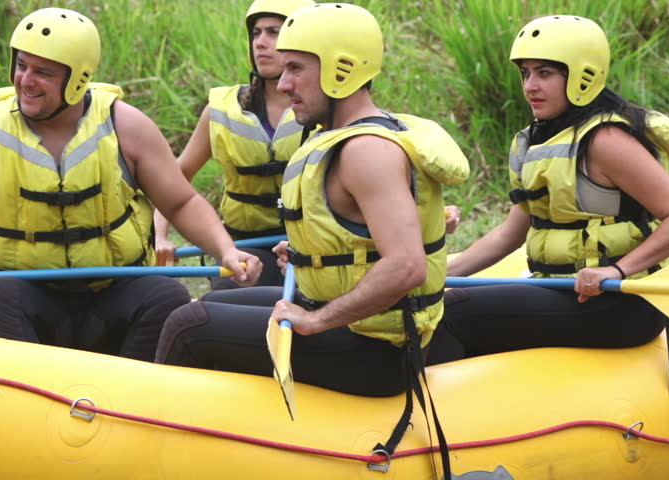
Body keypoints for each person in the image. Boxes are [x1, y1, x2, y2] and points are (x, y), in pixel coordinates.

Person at [0, 7, 260, 362]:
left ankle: (129, 398)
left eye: (43, 72)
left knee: (165, 295)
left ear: (77, 80)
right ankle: (28, 396)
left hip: (113, 294)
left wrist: (226, 251)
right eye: (22, 66)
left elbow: (180, 203)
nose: (25, 80)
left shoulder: (126, 127)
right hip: (28, 297)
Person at [156, 3, 469, 397]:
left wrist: (316, 320)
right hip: (355, 325)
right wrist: (311, 253)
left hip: (374, 352)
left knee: (190, 324)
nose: (284, 85)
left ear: (342, 71)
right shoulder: (347, 135)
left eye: (296, 69)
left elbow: (407, 267)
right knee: (225, 304)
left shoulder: (366, 151)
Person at [427, 15, 669, 366]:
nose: (530, 86)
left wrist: (617, 271)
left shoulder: (605, 141)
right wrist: (435, 279)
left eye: (545, 73)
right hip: (558, 288)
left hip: (618, 303)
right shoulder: (539, 141)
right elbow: (508, 234)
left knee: (451, 314)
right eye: (526, 73)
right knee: (436, 302)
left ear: (582, 76)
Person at [153, 0, 315, 290]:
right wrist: (160, 236)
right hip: (244, 247)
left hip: (309, 246)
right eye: (256, 33)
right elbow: (174, 179)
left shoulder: (324, 109)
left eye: (274, 32)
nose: (261, 43)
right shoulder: (221, 111)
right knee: (229, 298)